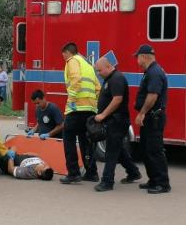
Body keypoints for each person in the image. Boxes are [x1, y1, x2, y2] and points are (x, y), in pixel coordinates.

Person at [93, 57, 141, 192]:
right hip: (113, 120)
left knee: (111, 152)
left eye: (100, 70)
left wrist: (103, 114)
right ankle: (133, 172)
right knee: (118, 149)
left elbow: (117, 99)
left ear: (108, 67)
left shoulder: (117, 78)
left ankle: (107, 182)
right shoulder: (110, 79)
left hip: (117, 121)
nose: (98, 73)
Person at [60, 42, 101, 184]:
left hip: (76, 108)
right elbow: (98, 88)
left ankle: (73, 173)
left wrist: (71, 99)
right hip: (89, 109)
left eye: (63, 55)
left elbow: (76, 79)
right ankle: (92, 172)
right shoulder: (88, 66)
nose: (63, 58)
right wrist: (94, 105)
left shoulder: (72, 61)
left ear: (67, 53)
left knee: (69, 139)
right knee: (86, 141)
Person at [134, 44, 171, 194]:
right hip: (151, 117)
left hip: (153, 117)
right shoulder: (150, 71)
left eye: (137, 57)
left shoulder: (154, 72)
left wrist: (142, 113)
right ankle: (153, 180)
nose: (136, 60)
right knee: (146, 149)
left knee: (155, 151)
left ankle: (162, 183)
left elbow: (152, 95)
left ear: (143, 56)